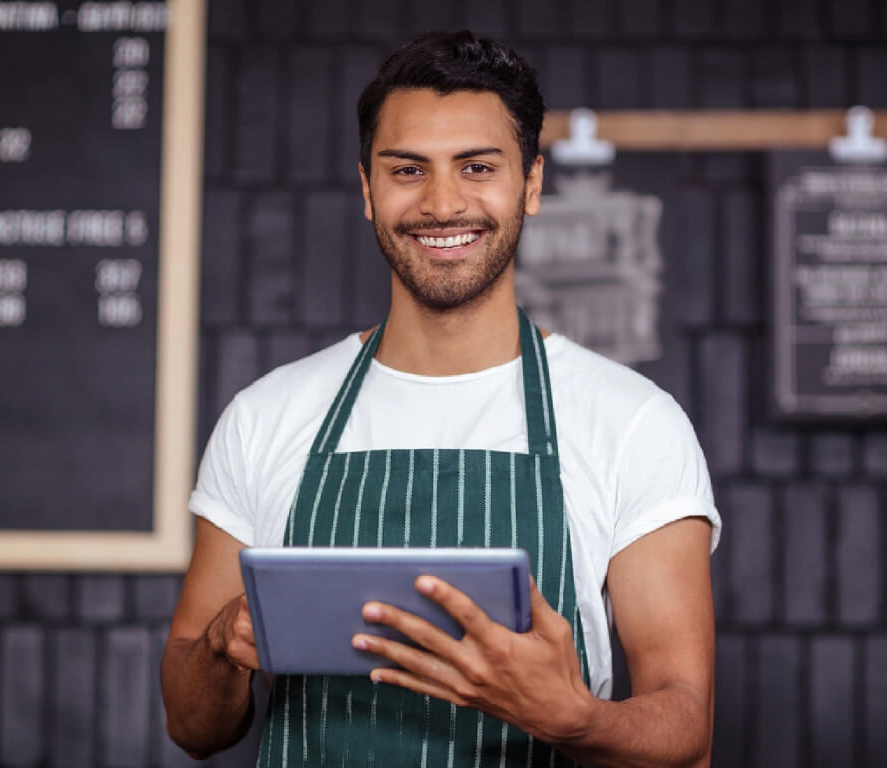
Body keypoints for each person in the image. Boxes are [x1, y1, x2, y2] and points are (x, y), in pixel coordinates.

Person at [162, 30, 720, 768]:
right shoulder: (266, 416)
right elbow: (192, 726)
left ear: (531, 184)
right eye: (407, 170)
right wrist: (223, 646)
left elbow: (688, 727)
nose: (443, 201)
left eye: (478, 167)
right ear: (367, 190)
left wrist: (580, 718)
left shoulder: (634, 423)